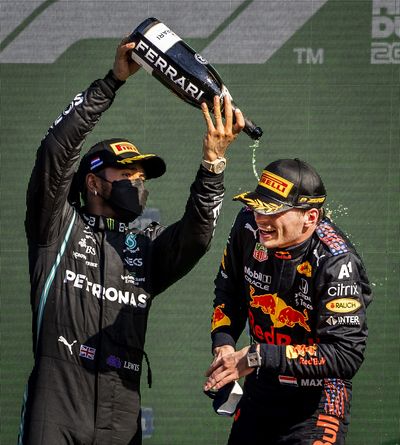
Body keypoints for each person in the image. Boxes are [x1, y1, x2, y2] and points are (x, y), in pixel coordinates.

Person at [19, 36, 244, 445]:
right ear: (93, 183)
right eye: (126, 175)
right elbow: (55, 151)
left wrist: (214, 164)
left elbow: (197, 235)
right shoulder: (55, 225)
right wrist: (111, 83)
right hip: (57, 404)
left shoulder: (147, 247)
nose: (137, 183)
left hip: (121, 410)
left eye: (142, 178)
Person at [204, 158, 372, 444]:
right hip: (263, 386)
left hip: (317, 399)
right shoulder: (247, 225)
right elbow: (228, 289)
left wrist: (257, 356)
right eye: (258, 206)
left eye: (273, 211)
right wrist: (224, 344)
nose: (260, 218)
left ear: (310, 218)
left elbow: (346, 355)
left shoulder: (336, 261)